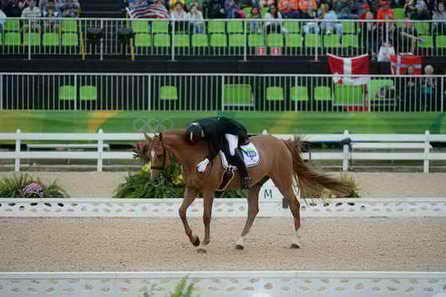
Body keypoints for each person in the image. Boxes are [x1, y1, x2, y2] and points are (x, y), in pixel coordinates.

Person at [185, 116, 251, 189]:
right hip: (220, 127)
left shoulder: (212, 130)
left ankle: (245, 177)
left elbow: (216, 148)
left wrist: (205, 161)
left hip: (232, 130)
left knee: (232, 152)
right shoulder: (193, 127)